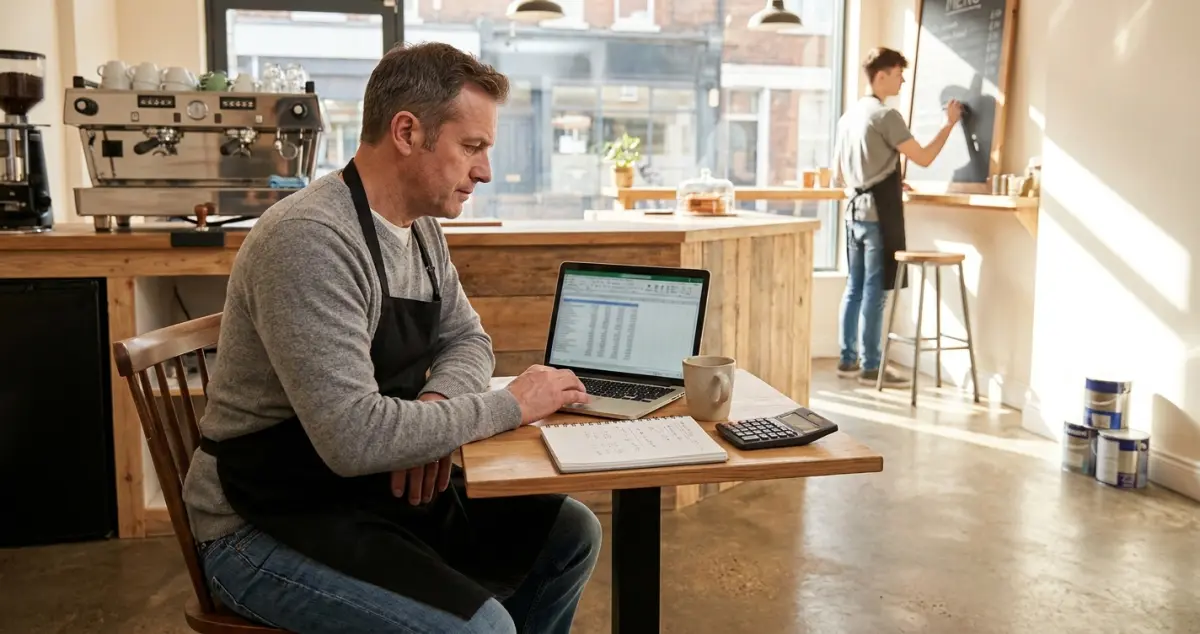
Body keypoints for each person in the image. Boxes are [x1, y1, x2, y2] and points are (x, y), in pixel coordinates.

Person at [181, 42, 601, 634]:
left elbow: (470, 343)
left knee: (569, 535)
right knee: (481, 629)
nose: (483, 170)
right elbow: (354, 439)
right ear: (407, 131)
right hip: (262, 523)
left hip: (367, 495)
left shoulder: (419, 230)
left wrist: (432, 414)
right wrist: (512, 405)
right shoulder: (310, 239)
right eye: (472, 147)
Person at [831, 47, 962, 386]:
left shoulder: (849, 116)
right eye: (898, 72)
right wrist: (949, 125)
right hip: (877, 217)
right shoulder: (885, 116)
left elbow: (841, 175)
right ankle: (872, 367)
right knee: (876, 290)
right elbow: (924, 158)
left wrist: (882, 175)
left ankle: (848, 360)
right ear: (882, 74)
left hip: (853, 214)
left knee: (854, 287)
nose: (903, 79)